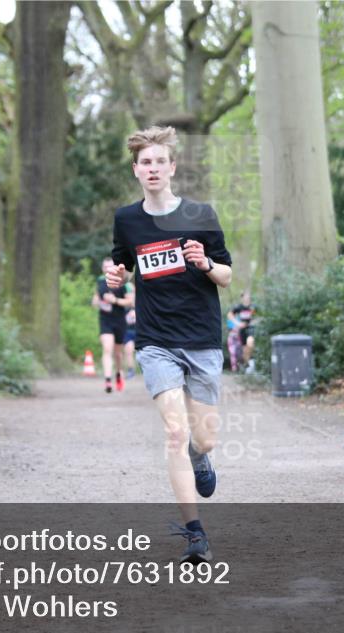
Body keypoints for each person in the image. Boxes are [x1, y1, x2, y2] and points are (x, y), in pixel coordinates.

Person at [105, 126, 233, 563]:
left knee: (204, 438)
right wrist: (115, 277)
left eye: (160, 161)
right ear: (136, 170)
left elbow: (227, 275)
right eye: (146, 162)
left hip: (201, 339)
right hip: (156, 341)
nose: (153, 168)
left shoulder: (201, 215)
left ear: (172, 167)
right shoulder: (127, 219)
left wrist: (206, 262)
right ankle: (195, 534)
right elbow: (121, 264)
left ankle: (202, 459)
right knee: (175, 431)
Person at [92, 257, 134, 393]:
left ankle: (118, 374)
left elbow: (131, 302)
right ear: (102, 269)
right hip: (105, 320)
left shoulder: (124, 282)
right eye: (105, 267)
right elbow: (96, 298)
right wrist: (97, 302)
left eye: (110, 267)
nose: (107, 270)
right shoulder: (100, 281)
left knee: (118, 354)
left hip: (120, 320)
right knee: (107, 349)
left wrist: (114, 300)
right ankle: (108, 380)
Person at [227, 290, 257, 373]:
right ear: (242, 297)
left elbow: (259, 317)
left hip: (251, 329)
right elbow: (229, 315)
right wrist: (238, 323)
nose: (247, 298)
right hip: (242, 330)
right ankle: (248, 367)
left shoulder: (253, 307)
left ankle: (250, 365)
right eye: (245, 296)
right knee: (244, 350)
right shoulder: (239, 307)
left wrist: (254, 321)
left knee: (250, 343)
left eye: (248, 296)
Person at [123, 306, 137, 379]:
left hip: (141, 332)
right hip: (128, 332)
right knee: (129, 350)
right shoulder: (124, 307)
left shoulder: (142, 304)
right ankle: (131, 370)